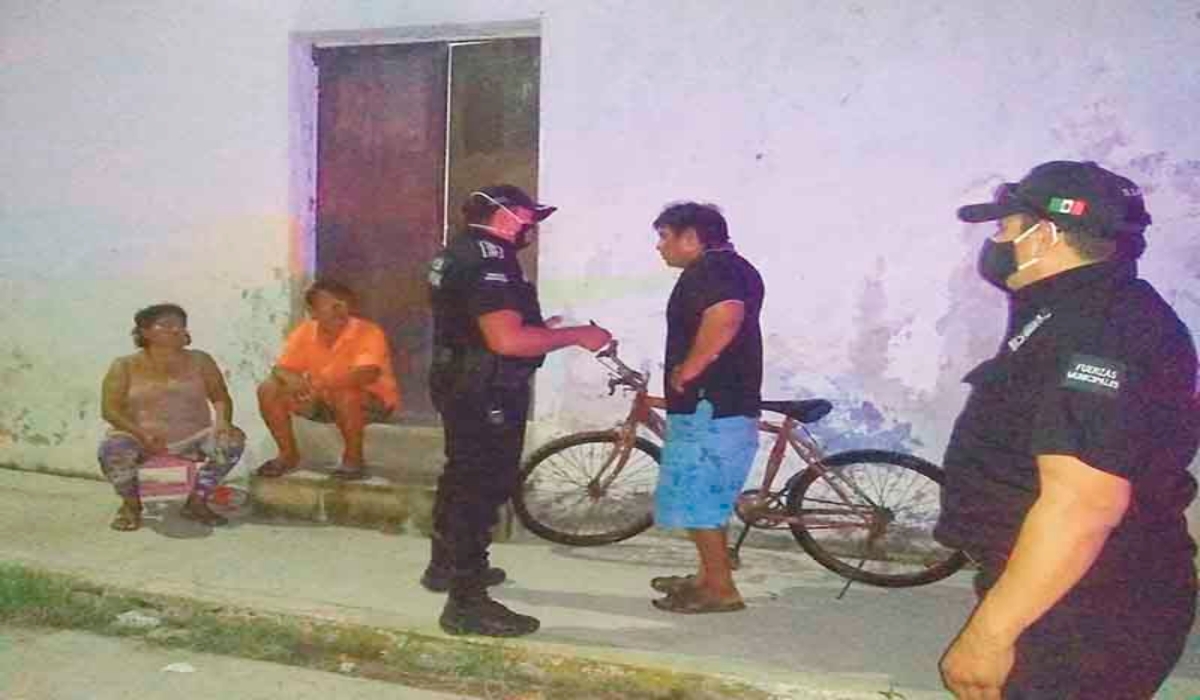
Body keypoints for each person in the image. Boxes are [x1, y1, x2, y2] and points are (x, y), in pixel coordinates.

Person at [935, 160, 1199, 699]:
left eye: (1006, 227)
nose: (997, 241)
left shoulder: (1098, 330)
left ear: (1046, 234)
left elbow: (1082, 504)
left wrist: (990, 634)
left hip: (1087, 607)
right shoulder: (1076, 310)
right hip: (1076, 591)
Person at [425, 184, 611, 636]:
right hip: (485, 388)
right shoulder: (490, 260)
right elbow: (506, 340)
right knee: (482, 486)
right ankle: (466, 604)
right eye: (528, 217)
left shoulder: (458, 251)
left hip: (460, 378)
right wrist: (576, 337)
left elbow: (479, 324)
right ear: (504, 213)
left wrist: (539, 330)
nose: (532, 227)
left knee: (460, 474)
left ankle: (447, 566)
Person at [648, 202, 764, 614]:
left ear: (691, 238)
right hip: (718, 405)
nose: (659, 247)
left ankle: (720, 589)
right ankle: (706, 576)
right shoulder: (733, 267)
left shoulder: (710, 270)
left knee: (699, 498)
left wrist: (689, 370)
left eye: (665, 236)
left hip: (709, 407)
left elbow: (726, 315)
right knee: (705, 497)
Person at [98, 303, 246, 530]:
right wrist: (142, 435)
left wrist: (222, 422)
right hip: (139, 437)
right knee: (113, 450)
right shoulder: (124, 366)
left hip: (193, 437)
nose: (176, 330)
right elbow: (110, 410)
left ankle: (197, 502)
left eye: (180, 325)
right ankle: (131, 505)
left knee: (231, 441)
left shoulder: (201, 360)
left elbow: (220, 397)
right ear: (145, 332)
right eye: (167, 325)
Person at [256, 279, 401, 480]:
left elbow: (366, 374)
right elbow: (281, 369)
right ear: (313, 311)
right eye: (332, 305)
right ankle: (288, 455)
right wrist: (296, 382)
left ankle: (353, 460)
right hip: (324, 399)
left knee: (345, 392)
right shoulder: (305, 331)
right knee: (269, 389)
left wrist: (317, 386)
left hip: (371, 403)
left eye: (343, 304)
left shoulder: (368, 331)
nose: (340, 311)